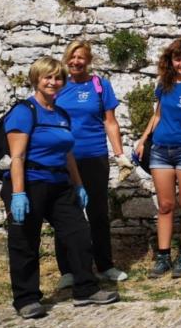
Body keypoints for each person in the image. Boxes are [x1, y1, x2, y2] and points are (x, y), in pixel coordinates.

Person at [2, 56, 119, 318]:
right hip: (29, 183)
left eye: (58, 78)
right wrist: (19, 194)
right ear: (36, 79)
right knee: (24, 243)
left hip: (60, 184)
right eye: (48, 77)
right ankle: (27, 299)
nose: (53, 82)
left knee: (78, 235)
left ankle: (86, 290)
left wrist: (78, 185)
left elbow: (68, 154)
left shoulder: (62, 114)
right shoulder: (24, 111)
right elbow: (17, 157)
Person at [54, 39, 130, 287]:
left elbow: (110, 122)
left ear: (88, 60)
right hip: (63, 158)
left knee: (98, 213)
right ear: (67, 59)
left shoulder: (100, 85)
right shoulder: (57, 85)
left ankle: (105, 265)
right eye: (72, 57)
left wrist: (119, 155)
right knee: (65, 213)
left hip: (94, 156)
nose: (76, 62)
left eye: (81, 58)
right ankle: (68, 270)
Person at [134, 38, 181, 279]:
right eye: (178, 58)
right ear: (170, 61)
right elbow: (158, 114)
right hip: (161, 150)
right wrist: (144, 138)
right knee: (165, 205)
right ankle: (163, 255)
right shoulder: (164, 84)